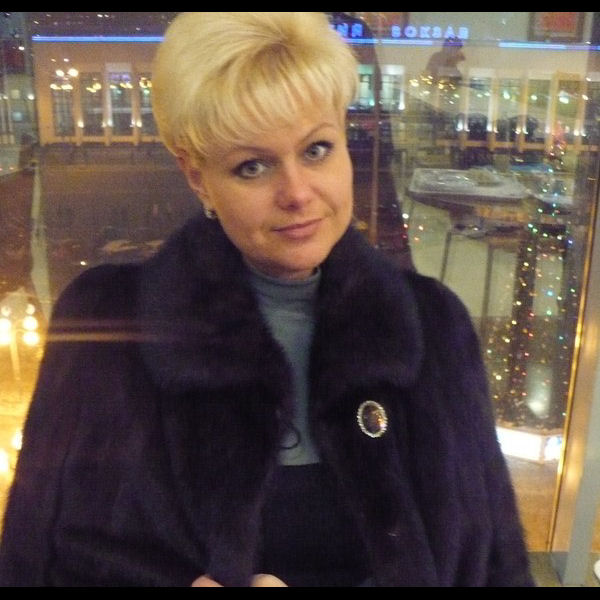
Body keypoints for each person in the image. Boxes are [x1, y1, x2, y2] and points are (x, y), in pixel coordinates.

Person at [0, 12, 533, 587]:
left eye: (317, 150)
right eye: (252, 166)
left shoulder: (433, 325)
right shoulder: (105, 328)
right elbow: (33, 562)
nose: (297, 193)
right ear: (197, 177)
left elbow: (495, 567)